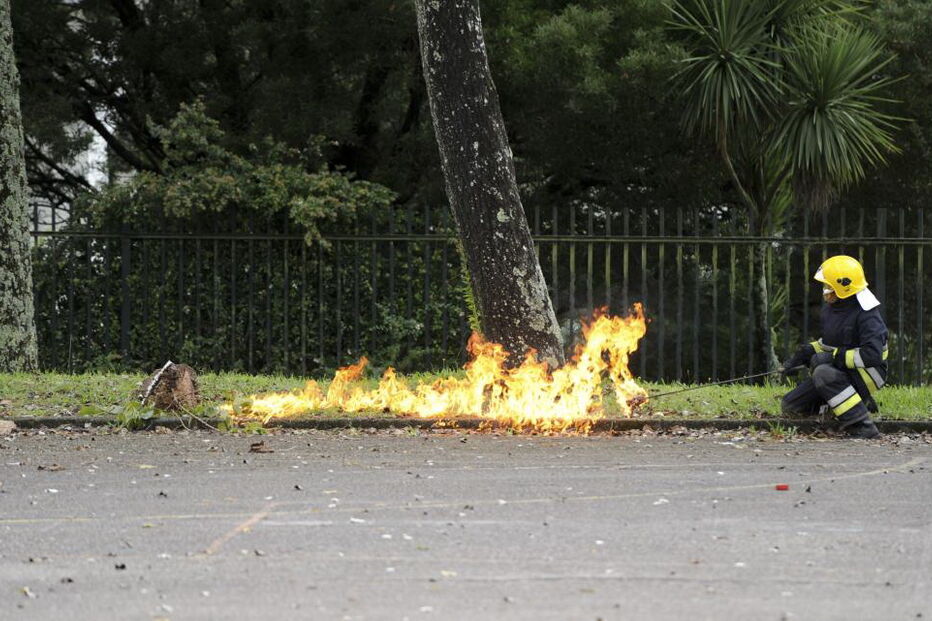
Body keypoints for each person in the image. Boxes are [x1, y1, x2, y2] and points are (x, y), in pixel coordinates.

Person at [780, 255, 888, 439]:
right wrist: (805, 353)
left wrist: (833, 358)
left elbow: (873, 355)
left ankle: (862, 426)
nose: (825, 291)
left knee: (823, 372)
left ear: (844, 287)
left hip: (869, 372)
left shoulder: (867, 314)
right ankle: (859, 401)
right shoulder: (833, 309)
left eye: (829, 287)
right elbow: (830, 344)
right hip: (844, 368)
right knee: (790, 405)